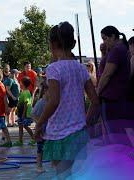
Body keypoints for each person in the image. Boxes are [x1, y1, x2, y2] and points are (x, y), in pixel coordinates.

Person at [34, 22, 99, 179]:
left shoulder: (54, 69)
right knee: (71, 173)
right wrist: (86, 121)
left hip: (59, 134)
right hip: (78, 132)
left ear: (53, 44)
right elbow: (95, 101)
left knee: (63, 174)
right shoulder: (80, 68)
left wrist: (39, 123)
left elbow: (54, 101)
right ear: (73, 43)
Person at [97, 26, 134, 134]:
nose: (104, 42)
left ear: (113, 36)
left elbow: (107, 75)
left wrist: (97, 92)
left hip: (112, 98)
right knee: (119, 131)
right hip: (118, 97)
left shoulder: (117, 50)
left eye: (105, 38)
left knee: (115, 133)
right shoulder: (121, 49)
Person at [31, 80, 49, 173]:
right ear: (46, 90)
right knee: (40, 148)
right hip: (42, 129)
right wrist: (39, 124)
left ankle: (53, 164)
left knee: (50, 147)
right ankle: (39, 165)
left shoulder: (52, 102)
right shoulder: (41, 102)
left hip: (50, 130)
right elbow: (33, 114)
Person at [13, 77, 35, 147]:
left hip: (25, 113)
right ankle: (20, 140)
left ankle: (34, 138)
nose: (19, 83)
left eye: (20, 82)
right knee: (20, 126)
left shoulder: (26, 93)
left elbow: (26, 104)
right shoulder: (23, 92)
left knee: (25, 126)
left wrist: (23, 114)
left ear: (23, 84)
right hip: (21, 113)